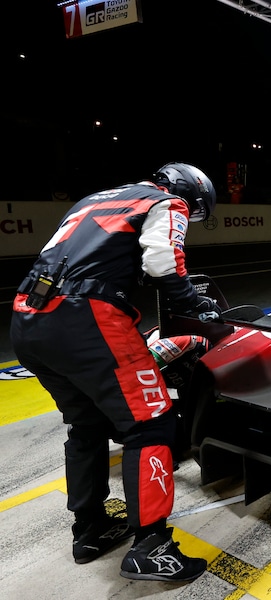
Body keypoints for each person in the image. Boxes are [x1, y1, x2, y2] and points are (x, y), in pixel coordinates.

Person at [10, 162, 219, 582]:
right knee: (152, 424)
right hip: (87, 317)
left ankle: (89, 530)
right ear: (189, 194)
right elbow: (163, 262)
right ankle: (151, 546)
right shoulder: (166, 200)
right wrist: (195, 306)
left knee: (86, 425)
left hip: (28, 316)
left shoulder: (94, 199)